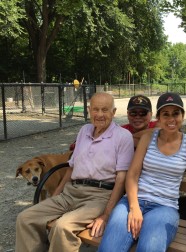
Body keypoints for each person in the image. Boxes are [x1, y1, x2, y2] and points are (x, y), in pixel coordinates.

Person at [98, 92, 186, 252]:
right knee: (109, 248)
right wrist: (134, 208)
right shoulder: (148, 138)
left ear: (183, 116)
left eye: (176, 113)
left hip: (164, 207)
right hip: (132, 202)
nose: (171, 119)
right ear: (158, 118)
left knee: (149, 248)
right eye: (165, 114)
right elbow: (132, 175)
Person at [15, 92, 134, 252]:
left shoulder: (123, 137)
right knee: (25, 218)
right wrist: (56, 194)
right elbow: (71, 167)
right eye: (96, 109)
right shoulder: (84, 130)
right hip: (70, 192)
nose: (99, 115)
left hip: (99, 196)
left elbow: (121, 179)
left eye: (105, 110)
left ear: (113, 112)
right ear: (89, 110)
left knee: (62, 226)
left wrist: (105, 215)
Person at [69, 94, 157, 150]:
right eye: (133, 113)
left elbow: (162, 130)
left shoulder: (157, 126)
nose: (138, 117)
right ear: (127, 114)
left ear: (151, 114)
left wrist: (128, 139)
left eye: (143, 113)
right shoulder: (121, 130)